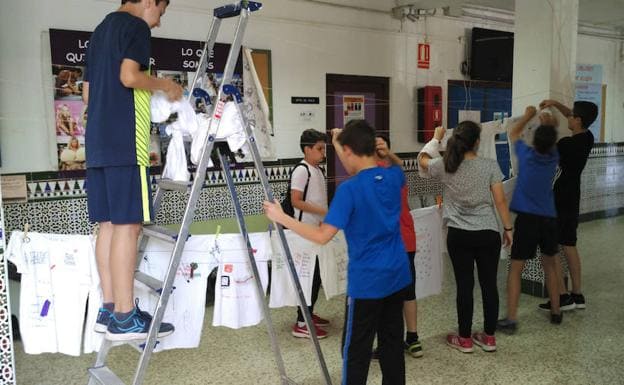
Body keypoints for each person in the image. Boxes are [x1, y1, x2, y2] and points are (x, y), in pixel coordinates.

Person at [264, 119, 411, 385]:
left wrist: (281, 217)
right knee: (391, 344)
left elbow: (322, 236)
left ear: (349, 152)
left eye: (341, 151)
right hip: (397, 274)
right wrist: (386, 153)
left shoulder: (350, 189)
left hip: (368, 282)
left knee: (356, 350)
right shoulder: (390, 176)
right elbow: (400, 168)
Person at [83, 0, 183, 341]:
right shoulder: (135, 27)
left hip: (96, 144)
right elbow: (129, 76)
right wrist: (166, 86)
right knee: (128, 227)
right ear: (148, 2)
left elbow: (86, 95)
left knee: (108, 226)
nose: (157, 23)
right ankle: (126, 316)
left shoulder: (98, 32)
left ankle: (109, 308)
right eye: (161, 12)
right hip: (126, 143)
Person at [418, 122, 513, 353]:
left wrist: (435, 138)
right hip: (488, 233)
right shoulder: (489, 165)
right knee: (489, 285)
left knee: (464, 285)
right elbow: (500, 200)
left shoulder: (446, 165)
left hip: (459, 236)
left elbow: (422, 160)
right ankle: (489, 337)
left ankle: (465, 339)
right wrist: (508, 229)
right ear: (477, 142)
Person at [497, 106, 562, 334]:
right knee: (550, 265)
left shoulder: (526, 155)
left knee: (515, 269)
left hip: (527, 220)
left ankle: (511, 319)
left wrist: (528, 115)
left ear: (534, 139)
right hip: (549, 219)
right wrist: (549, 124)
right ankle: (556, 311)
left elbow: (514, 133)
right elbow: (552, 138)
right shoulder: (553, 157)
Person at [537, 100, 597, 312]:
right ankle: (577, 293)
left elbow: (546, 148)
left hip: (559, 200)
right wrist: (555, 104)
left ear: (578, 120)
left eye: (571, 115)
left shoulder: (565, 145)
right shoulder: (587, 138)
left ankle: (562, 296)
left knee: (551, 250)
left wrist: (546, 125)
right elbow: (573, 116)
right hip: (574, 198)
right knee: (569, 244)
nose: (567, 117)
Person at [372, 133, 423, 358]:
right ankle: (412, 339)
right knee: (407, 292)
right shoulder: (396, 173)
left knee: (387, 294)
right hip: (405, 240)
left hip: (391, 242)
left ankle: (390, 345)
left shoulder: (377, 175)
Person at [290, 129, 330, 339]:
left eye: (324, 149)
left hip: (317, 231)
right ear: (307, 149)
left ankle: (308, 313)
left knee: (316, 277)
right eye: (319, 149)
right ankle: (301, 322)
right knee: (308, 277)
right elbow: (296, 200)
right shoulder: (302, 170)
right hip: (304, 233)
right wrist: (322, 211)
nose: (323, 153)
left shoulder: (318, 170)